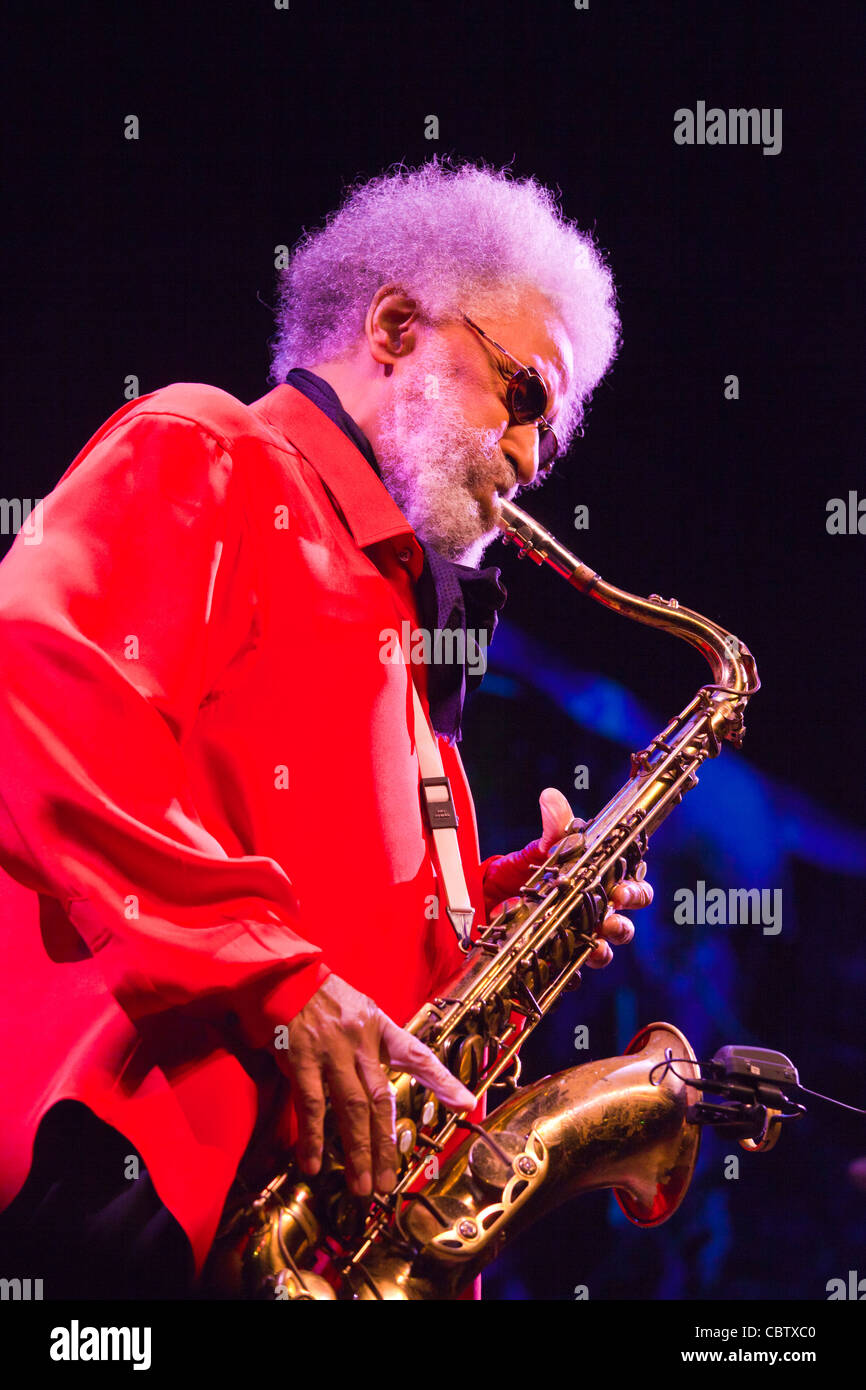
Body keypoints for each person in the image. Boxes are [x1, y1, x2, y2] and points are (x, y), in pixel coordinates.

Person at [0, 158, 652, 1299]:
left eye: (553, 439)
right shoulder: (213, 448)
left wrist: (508, 908)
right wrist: (278, 979)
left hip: (294, 1226)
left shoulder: (404, 634)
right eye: (526, 394)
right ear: (395, 324)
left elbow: (329, 917)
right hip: (128, 1179)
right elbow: (38, 701)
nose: (531, 457)